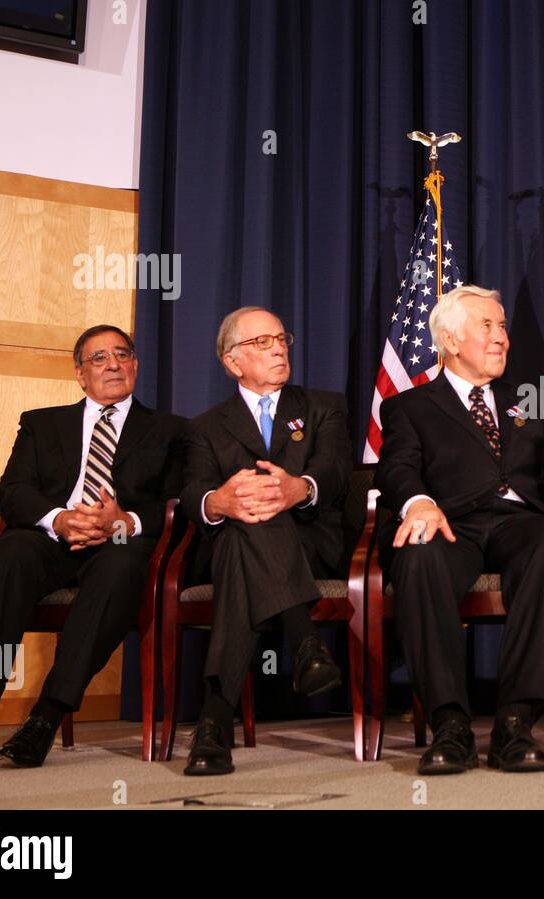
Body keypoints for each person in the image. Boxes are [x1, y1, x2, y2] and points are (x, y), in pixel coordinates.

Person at [0, 325, 186, 775]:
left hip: (119, 542)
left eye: (122, 354)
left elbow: (179, 503)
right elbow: (11, 493)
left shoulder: (171, 430)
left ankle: (47, 716)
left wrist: (123, 521)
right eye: (98, 358)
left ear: (135, 365)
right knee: (6, 558)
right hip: (49, 540)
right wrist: (61, 519)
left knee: (122, 565)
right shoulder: (41, 423)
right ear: (79, 374)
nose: (112, 364)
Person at [375, 284, 544, 775]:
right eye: (487, 327)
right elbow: (396, 470)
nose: (501, 337)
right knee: (419, 554)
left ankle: (516, 722)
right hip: (450, 522)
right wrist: (418, 504)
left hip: (520, 523)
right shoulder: (410, 407)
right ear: (452, 341)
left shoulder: (530, 397)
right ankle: (450, 725)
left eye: (502, 326)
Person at [180, 307, 352, 776]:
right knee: (245, 523)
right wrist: (220, 501)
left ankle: (215, 722)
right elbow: (195, 489)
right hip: (235, 543)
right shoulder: (205, 427)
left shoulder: (323, 406)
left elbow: (336, 472)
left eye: (281, 338)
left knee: (251, 527)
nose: (278, 347)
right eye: (262, 342)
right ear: (232, 361)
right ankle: (306, 646)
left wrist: (300, 487)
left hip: (312, 543)